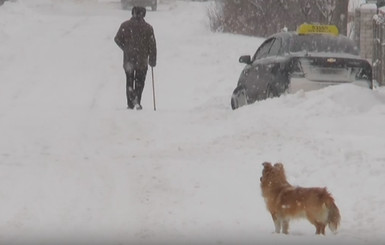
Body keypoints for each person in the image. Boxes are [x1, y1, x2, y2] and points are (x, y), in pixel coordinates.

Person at [114, 6, 157, 110]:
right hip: (142, 60)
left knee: (129, 80)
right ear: (144, 14)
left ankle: (130, 101)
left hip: (129, 59)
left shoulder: (125, 25)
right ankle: (137, 98)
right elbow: (152, 45)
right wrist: (152, 60)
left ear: (132, 13)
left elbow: (117, 39)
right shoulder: (148, 28)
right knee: (140, 81)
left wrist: (125, 48)